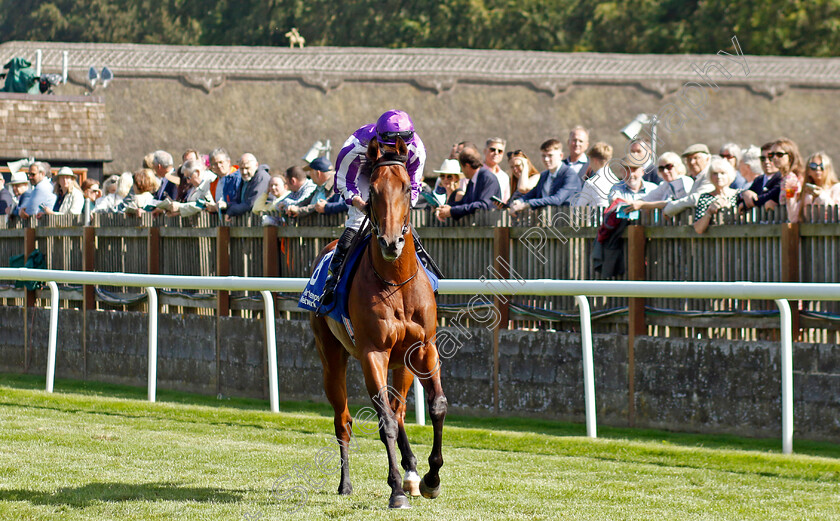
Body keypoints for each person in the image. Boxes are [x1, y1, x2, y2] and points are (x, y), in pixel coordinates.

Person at [319, 109, 432, 312]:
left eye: (398, 147)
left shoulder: (417, 150)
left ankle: (426, 272)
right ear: (378, 140)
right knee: (356, 221)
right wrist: (362, 206)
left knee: (399, 221)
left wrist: (401, 209)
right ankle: (333, 278)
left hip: (397, 174)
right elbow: (344, 182)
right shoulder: (354, 148)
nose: (393, 150)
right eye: (388, 146)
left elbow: (414, 185)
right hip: (362, 173)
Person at [507, 137, 583, 215]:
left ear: (561, 156)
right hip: (546, 222)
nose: (546, 159)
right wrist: (519, 201)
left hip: (566, 222)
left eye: (550, 155)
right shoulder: (544, 175)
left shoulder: (569, 175)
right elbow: (532, 193)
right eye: (543, 156)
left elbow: (557, 199)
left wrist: (527, 204)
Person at [435, 146, 501, 221]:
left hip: (490, 228)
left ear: (467, 166)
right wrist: (445, 208)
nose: (462, 171)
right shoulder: (473, 180)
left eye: (461, 167)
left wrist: (452, 211)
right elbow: (465, 202)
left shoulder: (487, 178)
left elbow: (484, 205)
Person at [740, 138, 803, 212]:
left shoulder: (791, 179)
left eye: (779, 154)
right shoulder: (784, 177)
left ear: (790, 157)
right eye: (772, 155)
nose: (774, 158)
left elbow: (790, 204)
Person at [624, 152, 696, 212]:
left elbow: (676, 202)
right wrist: (629, 203)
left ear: (677, 166)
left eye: (669, 167)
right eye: (661, 168)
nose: (665, 171)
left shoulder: (684, 181)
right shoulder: (665, 184)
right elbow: (648, 198)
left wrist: (643, 205)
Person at [784, 151, 840, 223]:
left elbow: (837, 214)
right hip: (810, 232)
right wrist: (790, 193)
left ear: (828, 169)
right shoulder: (806, 191)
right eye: (813, 166)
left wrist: (821, 196)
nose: (818, 169)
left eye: (822, 166)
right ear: (808, 171)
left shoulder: (836, 188)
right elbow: (793, 218)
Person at [661, 143, 714, 217]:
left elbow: (697, 198)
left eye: (696, 158)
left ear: (707, 159)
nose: (692, 162)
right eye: (689, 159)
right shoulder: (697, 177)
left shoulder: (711, 175)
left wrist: (670, 207)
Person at [693, 156, 742, 234]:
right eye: (715, 174)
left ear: (729, 175)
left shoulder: (739, 195)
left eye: (722, 173)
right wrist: (708, 212)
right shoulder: (705, 197)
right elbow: (698, 229)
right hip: (713, 243)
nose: (719, 177)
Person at [225, 153, 270, 219]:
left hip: (262, 220)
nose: (244, 172)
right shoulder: (246, 179)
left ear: (256, 165)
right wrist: (227, 206)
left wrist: (231, 210)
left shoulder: (261, 177)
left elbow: (252, 204)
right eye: (241, 169)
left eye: (247, 168)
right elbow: (238, 200)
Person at [574, 142, 614, 207]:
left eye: (590, 160)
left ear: (595, 160)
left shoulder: (590, 183)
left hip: (597, 216)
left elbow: (579, 207)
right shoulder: (616, 181)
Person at [205, 148, 241, 215]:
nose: (218, 166)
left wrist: (225, 205)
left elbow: (239, 201)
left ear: (228, 162)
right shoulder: (214, 183)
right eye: (215, 164)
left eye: (221, 162)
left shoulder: (238, 178)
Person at [483, 138, 511, 203]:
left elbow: (505, 200)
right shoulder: (476, 172)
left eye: (500, 151)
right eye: (492, 150)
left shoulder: (504, 177)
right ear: (484, 151)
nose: (496, 153)